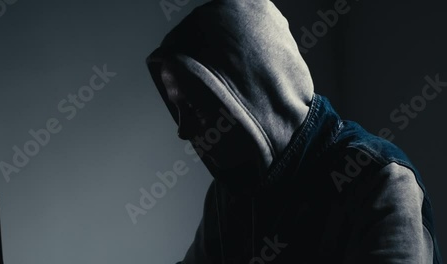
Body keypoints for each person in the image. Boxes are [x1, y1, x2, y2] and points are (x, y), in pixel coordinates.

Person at [145, 0, 442, 263]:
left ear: (251, 93)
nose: (183, 131)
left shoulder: (380, 180)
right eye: (178, 109)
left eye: (196, 108)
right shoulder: (229, 198)